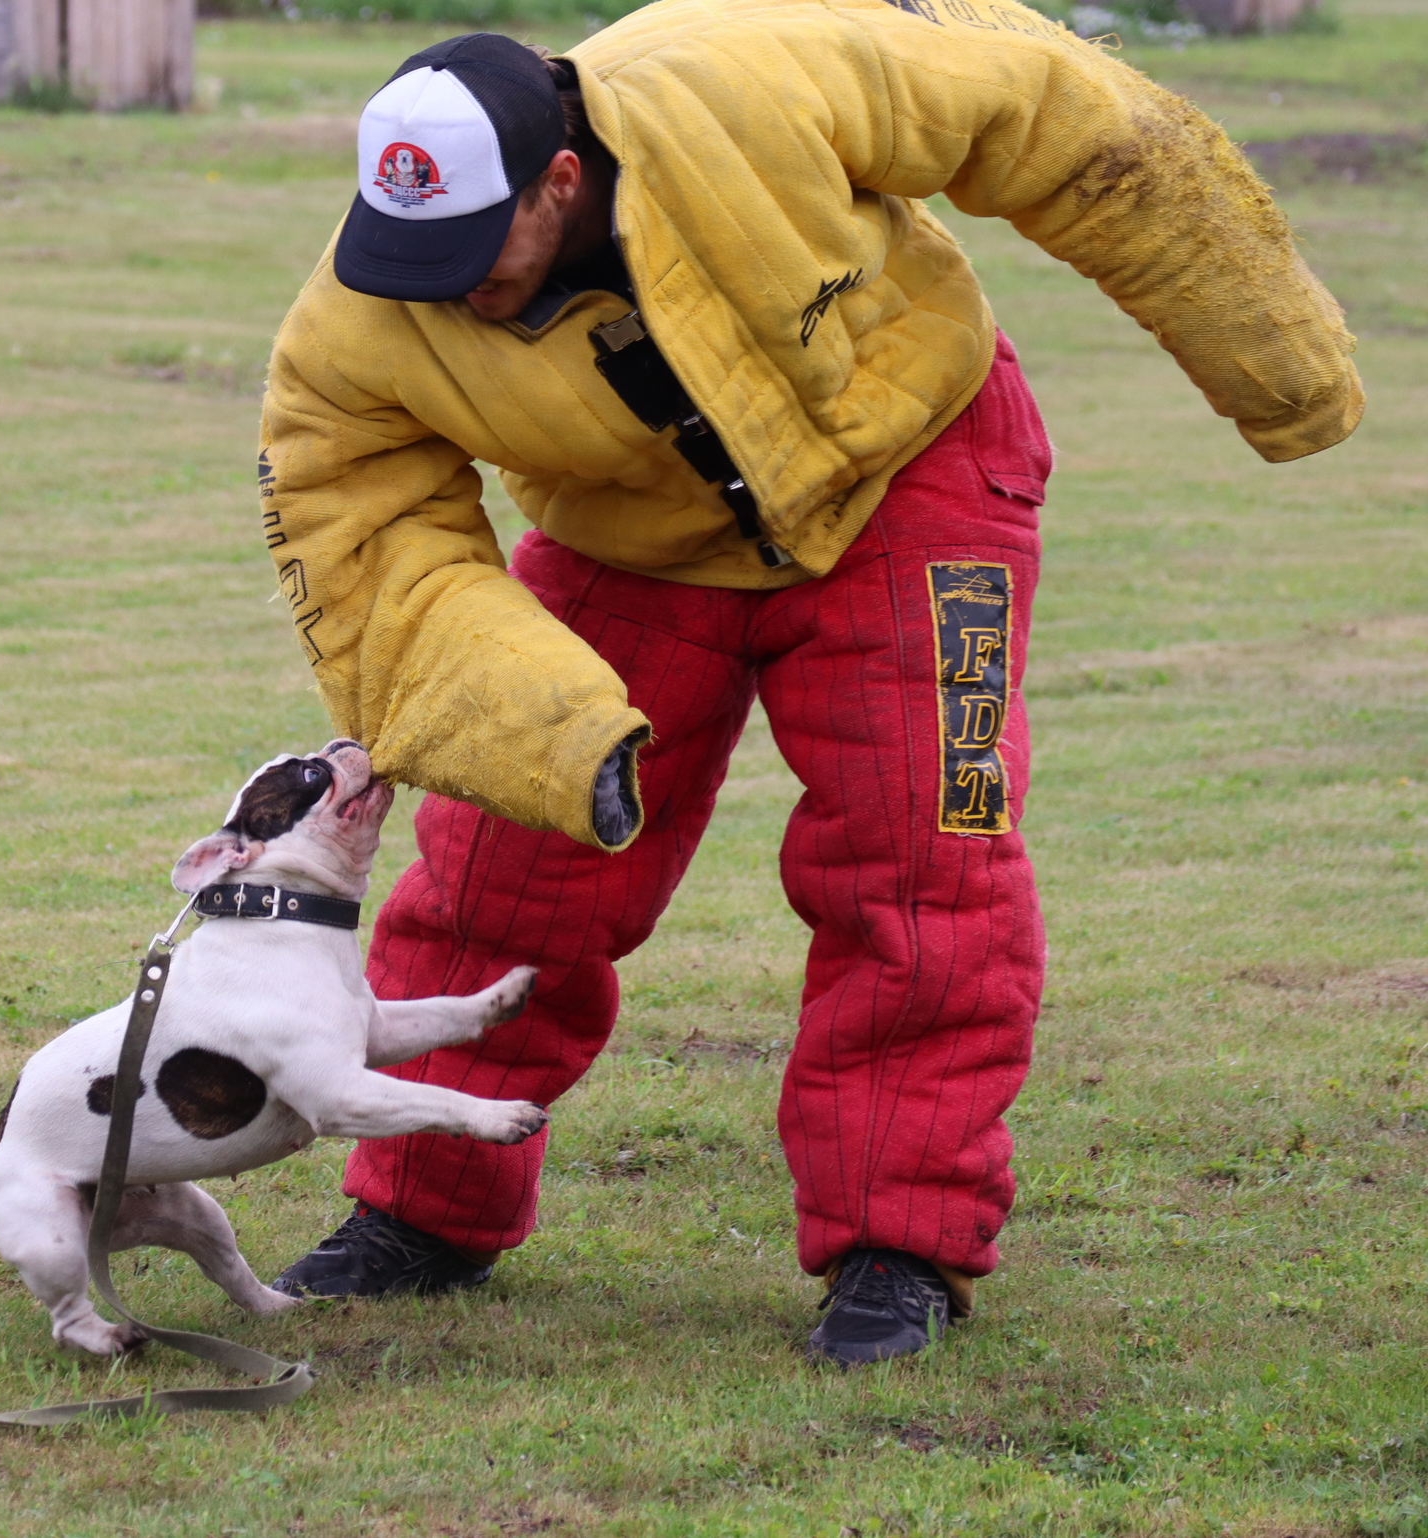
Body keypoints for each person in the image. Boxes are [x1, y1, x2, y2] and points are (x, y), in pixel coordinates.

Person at [253, 2, 1360, 1364]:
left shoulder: (743, 73)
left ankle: (900, 1245)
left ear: (560, 178)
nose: (448, 290)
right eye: (408, 256)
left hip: (913, 459)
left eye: (475, 254)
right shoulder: (366, 315)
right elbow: (366, 537)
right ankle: (423, 1207)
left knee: (918, 858)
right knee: (504, 870)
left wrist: (1275, 355)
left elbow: (1053, 104)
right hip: (634, 533)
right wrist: (537, 724)